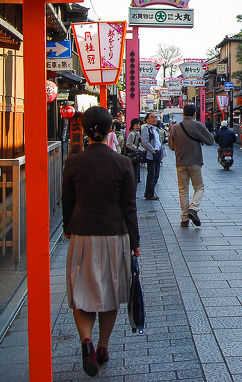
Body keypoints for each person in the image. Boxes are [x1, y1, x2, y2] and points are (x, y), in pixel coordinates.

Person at [61, 106, 140, 377]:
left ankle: (86, 341)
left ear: (84, 131)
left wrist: (67, 228)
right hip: (115, 233)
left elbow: (68, 201)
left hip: (82, 233)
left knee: (82, 292)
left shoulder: (73, 162)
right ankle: (104, 346)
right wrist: (135, 241)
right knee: (109, 292)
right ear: (111, 130)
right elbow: (129, 206)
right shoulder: (122, 163)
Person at [168, 104, 214, 227]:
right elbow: (210, 141)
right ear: (194, 114)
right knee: (199, 187)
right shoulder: (198, 125)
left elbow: (171, 147)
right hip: (195, 161)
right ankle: (193, 208)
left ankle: (184, 219)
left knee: (183, 190)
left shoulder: (175, 127)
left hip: (180, 162)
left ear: (183, 113)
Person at [140, 113, 163, 200]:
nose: (154, 119)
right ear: (147, 120)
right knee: (151, 174)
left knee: (156, 174)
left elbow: (159, 142)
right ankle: (149, 194)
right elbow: (145, 142)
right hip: (151, 154)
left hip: (157, 154)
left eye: (155, 117)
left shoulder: (156, 129)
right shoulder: (146, 129)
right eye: (152, 117)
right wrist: (153, 150)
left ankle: (151, 192)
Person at [124, 118, 144, 183]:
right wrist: (137, 148)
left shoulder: (137, 133)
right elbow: (128, 144)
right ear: (133, 125)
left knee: (136, 170)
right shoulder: (132, 134)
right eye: (136, 124)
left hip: (136, 154)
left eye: (139, 124)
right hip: (132, 154)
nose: (138, 126)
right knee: (133, 171)